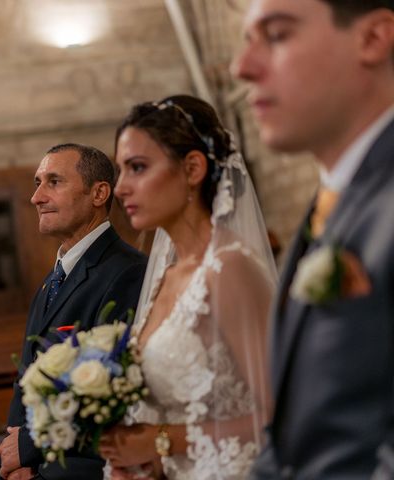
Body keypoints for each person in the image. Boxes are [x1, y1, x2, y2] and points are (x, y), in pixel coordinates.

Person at [232, 0, 394, 478]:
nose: (243, 67)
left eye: (277, 35)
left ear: (373, 38)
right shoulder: (335, 198)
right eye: (246, 40)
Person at [98, 95, 277, 479]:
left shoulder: (229, 268)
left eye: (138, 168)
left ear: (193, 168)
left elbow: (282, 414)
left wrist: (161, 441)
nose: (120, 188)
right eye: (120, 170)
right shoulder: (168, 275)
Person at [0, 143, 147, 480]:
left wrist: (29, 450)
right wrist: (16, 453)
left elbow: (114, 393)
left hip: (73, 464)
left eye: (54, 182)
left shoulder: (126, 273)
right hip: (26, 455)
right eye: (37, 183)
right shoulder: (55, 276)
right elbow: (27, 377)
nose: (37, 197)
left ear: (99, 193)